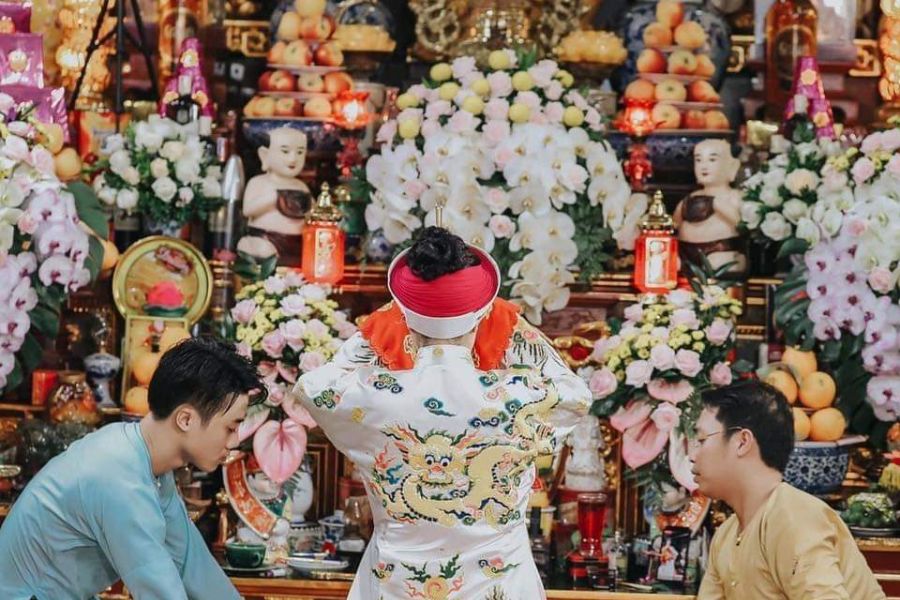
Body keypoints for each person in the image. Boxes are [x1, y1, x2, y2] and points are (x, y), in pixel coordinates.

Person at [294, 227, 591, 599]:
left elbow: (314, 387)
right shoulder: (515, 398)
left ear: (406, 318)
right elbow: (576, 394)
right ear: (480, 316)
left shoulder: (377, 397)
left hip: (396, 585)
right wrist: (512, 324)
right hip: (499, 583)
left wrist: (389, 316)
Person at [0, 336, 261, 600]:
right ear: (185, 419)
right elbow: (159, 589)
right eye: (231, 427)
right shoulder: (117, 474)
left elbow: (191, 563)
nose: (235, 440)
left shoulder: (144, 457)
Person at [692, 380, 885, 599]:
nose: (692, 455)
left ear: (742, 441)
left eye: (701, 440)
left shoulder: (794, 518)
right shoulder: (726, 534)